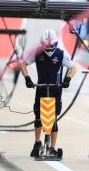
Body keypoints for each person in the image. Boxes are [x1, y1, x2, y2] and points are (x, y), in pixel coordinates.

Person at [20, 29, 77, 157]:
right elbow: (23, 64)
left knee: (53, 119)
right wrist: (27, 79)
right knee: (39, 117)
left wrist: (67, 79)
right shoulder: (37, 53)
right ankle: (37, 142)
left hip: (55, 90)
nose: (49, 47)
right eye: (47, 45)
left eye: (51, 45)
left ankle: (52, 147)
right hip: (40, 88)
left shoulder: (60, 54)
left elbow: (73, 67)